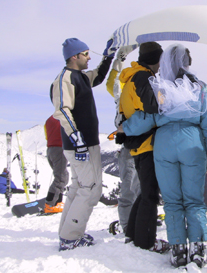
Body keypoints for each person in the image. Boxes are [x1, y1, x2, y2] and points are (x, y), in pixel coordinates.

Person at [122, 43, 207, 268]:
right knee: (193, 199)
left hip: (164, 144)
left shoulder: (161, 88)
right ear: (188, 62)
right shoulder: (200, 88)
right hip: (191, 142)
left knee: (173, 200)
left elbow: (149, 117)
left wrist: (125, 129)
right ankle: (197, 247)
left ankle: (178, 248)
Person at [50, 37, 116, 251]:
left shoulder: (79, 76)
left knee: (79, 187)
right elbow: (62, 111)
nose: (89, 57)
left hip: (85, 142)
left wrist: (109, 56)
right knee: (90, 188)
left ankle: (67, 232)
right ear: (74, 56)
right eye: (86, 54)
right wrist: (77, 139)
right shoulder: (65, 78)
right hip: (81, 144)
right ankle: (70, 237)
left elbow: (97, 76)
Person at [118, 41, 168, 253]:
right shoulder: (142, 77)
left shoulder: (133, 76)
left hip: (139, 142)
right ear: (156, 60)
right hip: (146, 143)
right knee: (149, 195)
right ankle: (146, 242)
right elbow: (152, 110)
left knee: (145, 192)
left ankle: (133, 234)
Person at [105, 46, 140, 234]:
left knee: (141, 188)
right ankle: (128, 227)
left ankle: (138, 220)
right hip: (129, 145)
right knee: (129, 189)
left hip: (146, 146)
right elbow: (112, 81)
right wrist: (119, 59)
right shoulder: (122, 92)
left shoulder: (143, 91)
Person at [43, 115, 69, 214]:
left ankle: (57, 202)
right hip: (59, 148)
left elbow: (46, 136)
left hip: (50, 149)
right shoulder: (65, 118)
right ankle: (51, 204)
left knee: (64, 176)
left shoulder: (49, 119)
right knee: (60, 178)